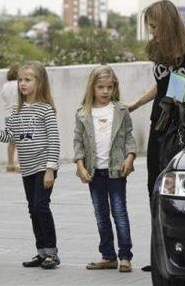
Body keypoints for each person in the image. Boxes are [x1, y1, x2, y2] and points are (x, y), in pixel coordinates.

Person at [127, 0, 185, 271]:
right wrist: (137, 103)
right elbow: (161, 84)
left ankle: (183, 253)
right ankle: (159, 256)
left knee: (175, 185)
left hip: (182, 125)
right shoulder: (156, 48)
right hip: (159, 122)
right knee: (153, 186)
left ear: (166, 22)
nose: (151, 31)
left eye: (154, 25)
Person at [0, 61, 61, 270]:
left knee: (41, 206)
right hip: (27, 168)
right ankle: (41, 252)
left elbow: (54, 141)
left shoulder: (46, 110)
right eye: (20, 80)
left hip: (44, 167)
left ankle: (51, 252)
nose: (22, 84)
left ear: (40, 82)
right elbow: (10, 136)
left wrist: (50, 169)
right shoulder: (15, 112)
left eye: (28, 80)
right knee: (33, 209)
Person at [74, 65, 137, 273]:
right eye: (100, 87)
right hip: (94, 172)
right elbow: (78, 142)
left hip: (116, 171)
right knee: (101, 214)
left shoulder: (120, 110)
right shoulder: (83, 113)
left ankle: (125, 256)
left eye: (109, 87)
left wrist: (130, 157)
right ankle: (108, 256)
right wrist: (80, 165)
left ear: (114, 87)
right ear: (92, 87)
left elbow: (129, 136)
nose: (105, 91)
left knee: (119, 212)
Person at [1, 62, 20, 172]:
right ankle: (24, 163)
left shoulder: (5, 86)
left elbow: (3, 97)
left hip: (8, 115)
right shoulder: (20, 84)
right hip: (19, 114)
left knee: (11, 141)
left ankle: (10, 163)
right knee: (23, 140)